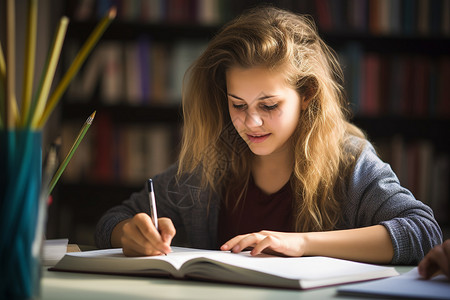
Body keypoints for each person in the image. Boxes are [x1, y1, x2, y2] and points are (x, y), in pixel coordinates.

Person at [95, 6, 442, 264]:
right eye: (238, 104)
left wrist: (302, 243)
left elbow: (423, 233)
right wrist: (128, 233)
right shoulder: (208, 166)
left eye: (270, 105)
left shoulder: (348, 161)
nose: (251, 122)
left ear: (306, 95)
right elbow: (111, 221)